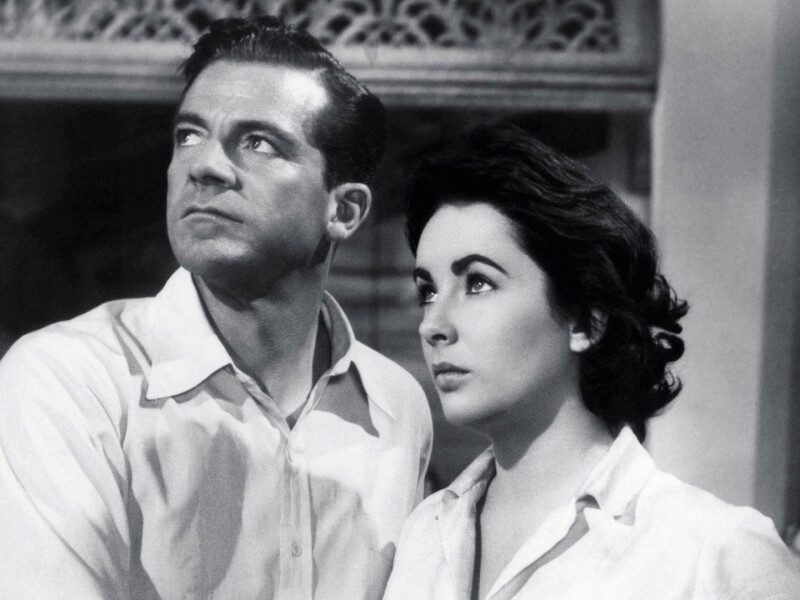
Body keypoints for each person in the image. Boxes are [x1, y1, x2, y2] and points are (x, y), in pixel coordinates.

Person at [0, 16, 432, 600]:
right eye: (189, 135)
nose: (204, 165)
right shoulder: (70, 382)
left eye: (258, 143)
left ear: (345, 210)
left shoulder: (396, 405)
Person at [383, 123, 800, 599]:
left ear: (585, 320)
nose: (432, 324)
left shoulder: (716, 554)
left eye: (478, 283)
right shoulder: (423, 536)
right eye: (428, 291)